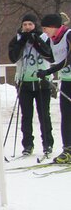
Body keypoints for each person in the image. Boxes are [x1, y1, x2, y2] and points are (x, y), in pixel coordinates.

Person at [8, 12, 54, 157]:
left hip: (42, 82)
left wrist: (36, 41)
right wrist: (22, 42)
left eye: (30, 24)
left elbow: (50, 55)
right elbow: (13, 57)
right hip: (24, 83)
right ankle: (27, 144)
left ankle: (48, 144)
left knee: (44, 115)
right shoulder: (17, 39)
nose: (27, 27)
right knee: (26, 116)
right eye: (25, 25)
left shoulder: (45, 38)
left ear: (35, 25)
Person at [36, 13, 70, 163]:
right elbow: (52, 57)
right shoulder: (52, 40)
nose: (45, 31)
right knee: (66, 117)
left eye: (46, 28)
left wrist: (49, 71)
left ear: (54, 26)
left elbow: (68, 58)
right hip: (67, 81)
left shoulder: (69, 34)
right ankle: (68, 150)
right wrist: (36, 44)